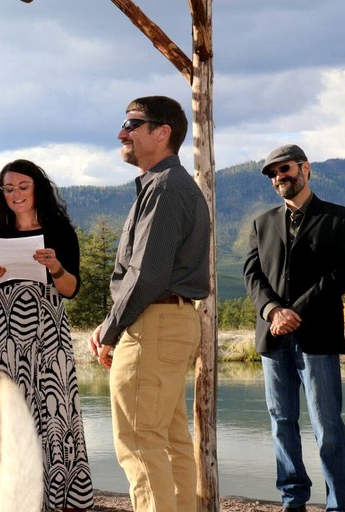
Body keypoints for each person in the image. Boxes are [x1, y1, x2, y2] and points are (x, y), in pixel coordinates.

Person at [87, 96, 210, 512]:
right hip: (169, 322)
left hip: (153, 323)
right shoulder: (169, 185)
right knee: (170, 441)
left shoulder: (165, 188)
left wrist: (111, 329)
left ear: (162, 133)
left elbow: (147, 274)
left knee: (139, 441)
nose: (121, 133)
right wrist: (114, 322)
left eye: (132, 124)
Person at [0, 159, 93, 512]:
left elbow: (71, 289)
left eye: (23, 187)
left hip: (49, 336)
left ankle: (57, 497)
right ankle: (3, 497)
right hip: (3, 338)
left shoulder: (60, 230)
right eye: (8, 189)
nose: (16, 194)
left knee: (55, 412)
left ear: (37, 188)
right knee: (2, 412)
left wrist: (55, 267)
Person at [243, 144, 345, 512]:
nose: (279, 177)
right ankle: (293, 501)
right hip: (273, 336)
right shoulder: (261, 224)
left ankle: (341, 505)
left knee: (328, 426)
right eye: (273, 173)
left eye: (285, 169)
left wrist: (295, 312)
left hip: (318, 337)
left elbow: (340, 276)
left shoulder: (340, 218)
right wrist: (273, 311)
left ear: (305, 169)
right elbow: (252, 276)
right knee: (281, 423)